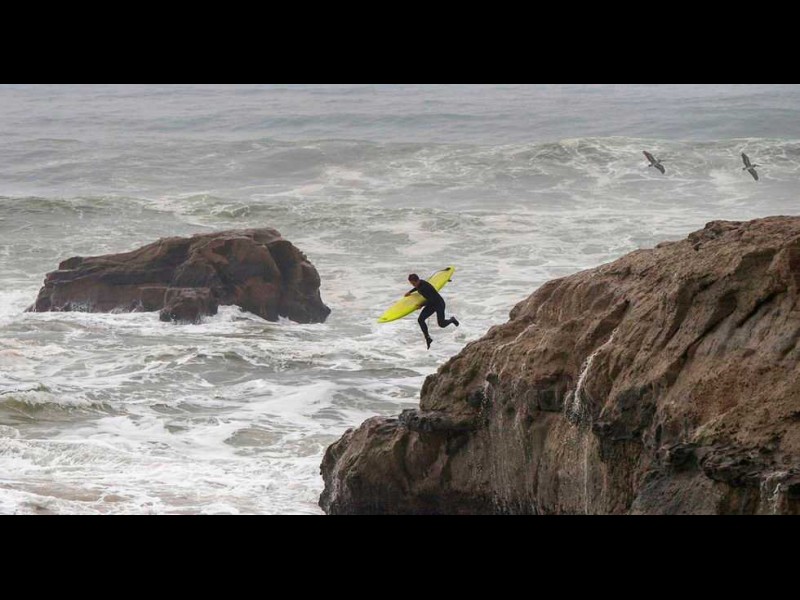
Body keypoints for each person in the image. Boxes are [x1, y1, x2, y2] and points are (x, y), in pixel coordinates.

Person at [404, 273, 459, 349]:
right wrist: (410, 292)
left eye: (413, 284)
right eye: (412, 284)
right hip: (431, 304)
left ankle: (452, 319)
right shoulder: (420, 283)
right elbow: (417, 288)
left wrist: (421, 305)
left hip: (439, 304)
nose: (413, 285)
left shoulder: (424, 288)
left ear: (417, 280)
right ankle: (428, 338)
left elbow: (431, 299)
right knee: (420, 320)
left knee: (442, 324)